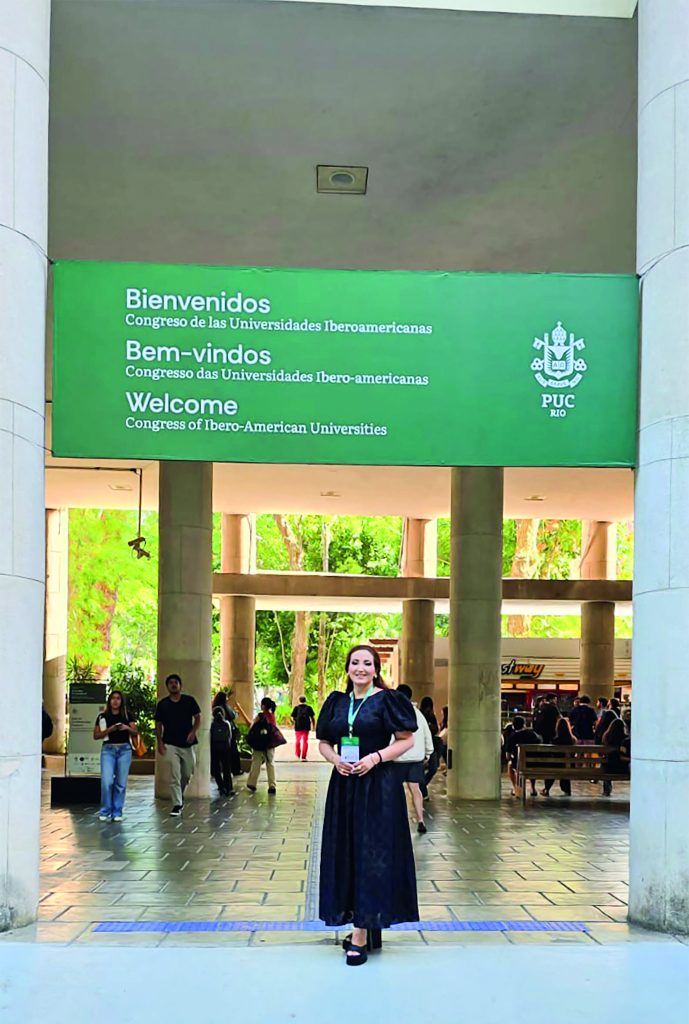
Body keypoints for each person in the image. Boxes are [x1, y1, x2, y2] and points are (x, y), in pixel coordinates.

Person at [316, 644, 418, 966]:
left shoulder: (387, 700)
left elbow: (407, 739)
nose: (361, 668)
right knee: (347, 852)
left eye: (367, 663)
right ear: (348, 668)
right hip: (344, 785)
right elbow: (324, 742)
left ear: (375, 669)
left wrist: (375, 758)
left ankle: (360, 933)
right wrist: (335, 760)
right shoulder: (337, 702)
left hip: (377, 787)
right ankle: (362, 923)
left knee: (371, 855)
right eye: (355, 662)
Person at [155, 673, 201, 816]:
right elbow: (158, 724)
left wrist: (193, 731)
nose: (173, 685)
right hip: (170, 744)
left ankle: (179, 794)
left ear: (180, 685)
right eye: (171, 683)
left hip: (187, 744)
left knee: (187, 773)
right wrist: (160, 742)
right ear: (167, 687)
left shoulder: (189, 701)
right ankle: (177, 804)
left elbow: (198, 717)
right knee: (175, 774)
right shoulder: (163, 704)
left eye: (176, 682)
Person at [93, 689, 139, 822]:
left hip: (124, 750)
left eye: (118, 698)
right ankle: (105, 810)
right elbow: (96, 735)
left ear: (121, 701)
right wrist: (110, 729)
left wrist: (126, 728)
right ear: (109, 701)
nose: (115, 701)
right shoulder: (102, 716)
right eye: (113, 698)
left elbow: (135, 732)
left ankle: (117, 811)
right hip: (108, 750)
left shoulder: (127, 715)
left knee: (121, 782)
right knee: (106, 781)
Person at [395, 684, 434, 834]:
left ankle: (397, 821)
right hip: (416, 759)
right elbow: (427, 735)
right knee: (415, 790)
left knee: (395, 791)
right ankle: (420, 820)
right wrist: (428, 754)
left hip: (397, 760)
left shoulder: (393, 712)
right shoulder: (418, 714)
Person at [247, 697, 279, 794]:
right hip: (269, 743)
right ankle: (272, 785)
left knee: (256, 762)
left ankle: (252, 783)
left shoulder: (260, 716)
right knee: (270, 763)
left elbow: (252, 727)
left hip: (258, 743)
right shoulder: (272, 716)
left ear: (263, 706)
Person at [504, 715, 542, 797]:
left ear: (513, 726)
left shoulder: (512, 737)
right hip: (533, 763)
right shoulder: (533, 734)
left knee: (510, 764)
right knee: (531, 764)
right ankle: (533, 788)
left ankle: (515, 787)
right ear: (524, 725)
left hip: (519, 764)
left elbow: (508, 756)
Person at [541, 716, 576, 797]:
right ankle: (567, 789)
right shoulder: (573, 740)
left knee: (552, 767)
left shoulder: (555, 740)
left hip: (557, 764)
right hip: (570, 765)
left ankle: (546, 789)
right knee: (563, 767)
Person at [212, 690, 243, 776]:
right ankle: (235, 770)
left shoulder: (214, 707)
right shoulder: (225, 707)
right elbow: (232, 716)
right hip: (228, 733)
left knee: (217, 755)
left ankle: (216, 772)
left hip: (217, 735)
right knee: (233, 752)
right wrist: (236, 713)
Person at [601, 716, 630, 796]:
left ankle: (606, 789)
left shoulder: (607, 738)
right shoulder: (625, 739)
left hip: (608, 768)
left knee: (605, 763)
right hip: (621, 768)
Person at [418, 695, 440, 798]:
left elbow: (436, 730)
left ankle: (421, 788)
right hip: (422, 746)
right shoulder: (420, 716)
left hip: (431, 745)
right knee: (423, 770)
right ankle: (423, 792)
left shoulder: (432, 716)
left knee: (433, 768)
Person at [210, 706, 234, 797]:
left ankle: (221, 786)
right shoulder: (227, 723)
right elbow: (230, 737)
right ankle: (228, 787)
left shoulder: (212, 725)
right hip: (225, 748)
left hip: (215, 748)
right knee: (226, 768)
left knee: (216, 769)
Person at [291, 695, 316, 760]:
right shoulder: (309, 708)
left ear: (299, 700)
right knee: (305, 741)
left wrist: (295, 722)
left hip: (298, 727)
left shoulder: (296, 708)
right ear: (305, 700)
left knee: (297, 741)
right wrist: (313, 726)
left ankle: (298, 754)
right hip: (306, 727)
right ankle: (304, 757)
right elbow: (312, 717)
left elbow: (292, 717)